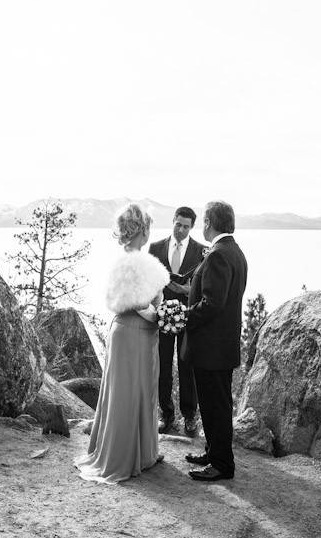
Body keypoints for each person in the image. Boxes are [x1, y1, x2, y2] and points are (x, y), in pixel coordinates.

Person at [74, 203, 170, 484]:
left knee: (123, 392)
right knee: (136, 392)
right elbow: (141, 303)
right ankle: (133, 456)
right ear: (142, 230)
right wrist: (162, 318)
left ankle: (140, 452)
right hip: (137, 332)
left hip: (121, 330)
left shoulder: (120, 261)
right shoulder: (140, 262)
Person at [182, 201, 248, 482]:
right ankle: (213, 451)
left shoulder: (219, 255)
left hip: (211, 349)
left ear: (208, 222)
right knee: (214, 405)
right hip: (220, 347)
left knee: (215, 406)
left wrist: (185, 315)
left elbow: (212, 304)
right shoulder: (234, 251)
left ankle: (221, 463)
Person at [148, 207, 206, 436]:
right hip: (162, 314)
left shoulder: (202, 251)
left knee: (187, 366)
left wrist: (190, 289)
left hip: (188, 313)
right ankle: (166, 414)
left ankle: (190, 417)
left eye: (186, 226)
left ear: (192, 227)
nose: (181, 229)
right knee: (162, 365)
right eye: (178, 224)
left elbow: (204, 288)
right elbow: (150, 280)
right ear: (173, 221)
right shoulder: (155, 248)